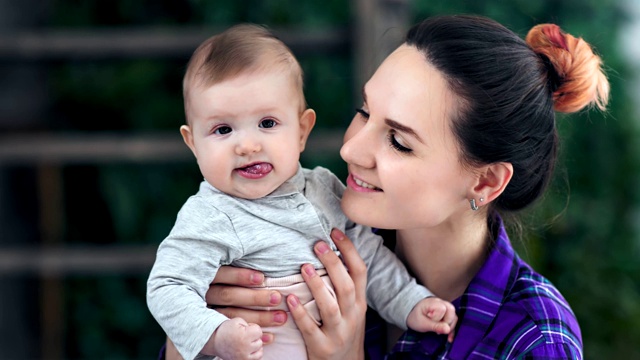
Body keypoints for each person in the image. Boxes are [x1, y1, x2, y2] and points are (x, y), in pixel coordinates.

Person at [174, 14, 610, 360]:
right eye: (364, 113)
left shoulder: (533, 337)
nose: (351, 151)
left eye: (399, 141)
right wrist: (192, 336)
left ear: (485, 181)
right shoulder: (305, 240)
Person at [147, 24, 458, 360]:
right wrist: (217, 335)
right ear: (193, 143)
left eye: (267, 123)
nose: (248, 146)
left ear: (302, 130)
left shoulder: (324, 189)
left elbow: (367, 258)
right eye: (222, 129)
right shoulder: (210, 215)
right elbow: (167, 288)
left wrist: (411, 302)